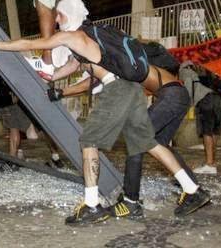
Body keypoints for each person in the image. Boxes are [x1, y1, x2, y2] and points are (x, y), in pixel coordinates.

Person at [0, 0, 210, 225]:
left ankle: (92, 205)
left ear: (67, 14)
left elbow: (33, 44)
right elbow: (65, 69)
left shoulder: (73, 36)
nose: (56, 21)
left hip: (118, 90)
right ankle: (189, 190)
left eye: (59, 15)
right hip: (128, 89)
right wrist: (50, 79)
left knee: (90, 141)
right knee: (145, 140)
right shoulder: (89, 40)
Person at [52, 51, 198, 218]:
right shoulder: (133, 59)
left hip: (170, 96)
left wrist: (61, 92)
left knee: (136, 140)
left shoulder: (120, 61)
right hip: (180, 96)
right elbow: (93, 85)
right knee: (159, 144)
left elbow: (89, 84)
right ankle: (193, 189)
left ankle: (131, 201)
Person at [180, 62, 221, 175]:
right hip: (218, 100)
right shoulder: (208, 70)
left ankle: (209, 164)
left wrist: (186, 106)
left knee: (207, 132)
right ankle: (212, 162)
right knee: (214, 132)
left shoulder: (185, 70)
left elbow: (188, 89)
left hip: (205, 101)